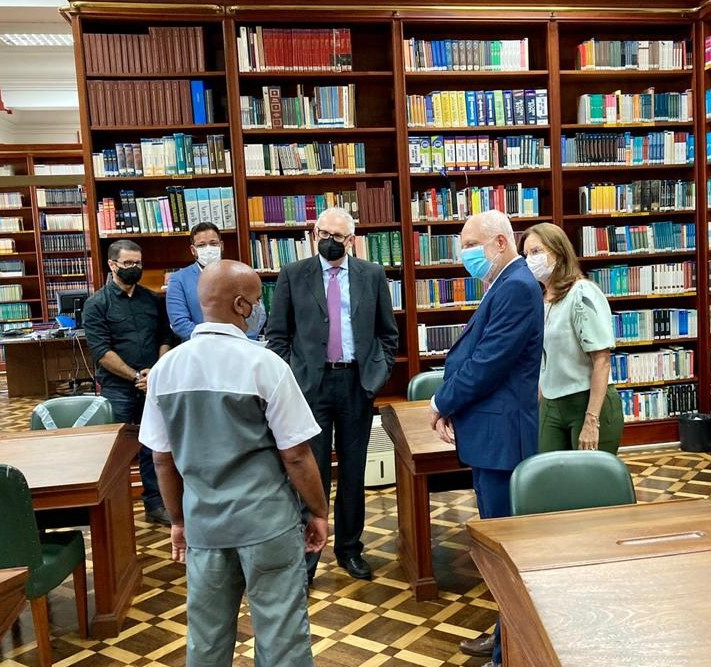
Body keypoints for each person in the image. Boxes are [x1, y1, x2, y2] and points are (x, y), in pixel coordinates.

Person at [140, 259, 328, 666]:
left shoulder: (165, 370)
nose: (260, 308)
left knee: (206, 637)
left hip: (205, 526)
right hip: (267, 524)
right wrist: (318, 510)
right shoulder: (265, 365)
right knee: (282, 635)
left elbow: (161, 460)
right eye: (258, 300)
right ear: (242, 306)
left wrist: (178, 521)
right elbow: (295, 454)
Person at [429, 210, 543, 667]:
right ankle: (502, 635)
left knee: (503, 549)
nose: (464, 255)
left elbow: (488, 362)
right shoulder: (506, 281)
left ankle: (508, 650)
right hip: (490, 431)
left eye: (470, 245)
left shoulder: (516, 285)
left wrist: (441, 402)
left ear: (499, 242)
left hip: (503, 438)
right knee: (496, 545)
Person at [266, 206, 399, 584]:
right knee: (313, 472)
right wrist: (294, 378)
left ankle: (350, 549)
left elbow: (387, 334)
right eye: (323, 233)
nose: (328, 241)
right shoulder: (293, 275)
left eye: (337, 236)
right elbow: (278, 335)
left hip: (357, 383)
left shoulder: (371, 274)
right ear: (313, 233)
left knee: (354, 472)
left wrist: (378, 373)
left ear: (351, 241)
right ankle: (308, 558)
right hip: (311, 386)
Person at [83, 239, 173, 525]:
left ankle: (156, 505)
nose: (135, 268)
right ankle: (114, 508)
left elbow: (165, 338)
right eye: (128, 263)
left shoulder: (152, 300)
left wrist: (154, 373)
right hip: (118, 389)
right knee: (117, 452)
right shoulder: (96, 304)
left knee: (154, 447)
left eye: (138, 263)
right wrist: (135, 376)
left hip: (152, 385)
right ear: (112, 265)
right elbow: (101, 351)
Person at [521, 223, 624, 454]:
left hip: (587, 402)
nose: (529, 260)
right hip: (551, 402)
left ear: (559, 251)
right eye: (526, 254)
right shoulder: (539, 300)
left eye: (536, 252)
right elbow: (544, 361)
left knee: (589, 484)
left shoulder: (582, 293)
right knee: (550, 478)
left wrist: (591, 421)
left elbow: (602, 360)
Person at [166, 222, 224, 342]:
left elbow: (256, 315)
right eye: (202, 245)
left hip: (237, 348)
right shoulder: (178, 280)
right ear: (193, 250)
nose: (208, 249)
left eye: (213, 243)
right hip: (198, 349)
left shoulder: (239, 273)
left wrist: (238, 341)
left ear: (221, 245)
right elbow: (180, 323)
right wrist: (213, 342)